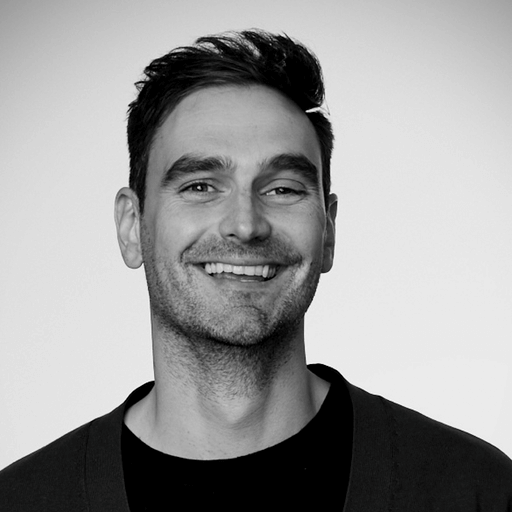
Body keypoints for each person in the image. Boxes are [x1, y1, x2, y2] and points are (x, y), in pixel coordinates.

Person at [1, 29, 511, 511]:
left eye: (283, 188)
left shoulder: (476, 491)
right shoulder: (22, 500)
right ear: (132, 226)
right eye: (200, 186)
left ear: (328, 231)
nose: (245, 225)